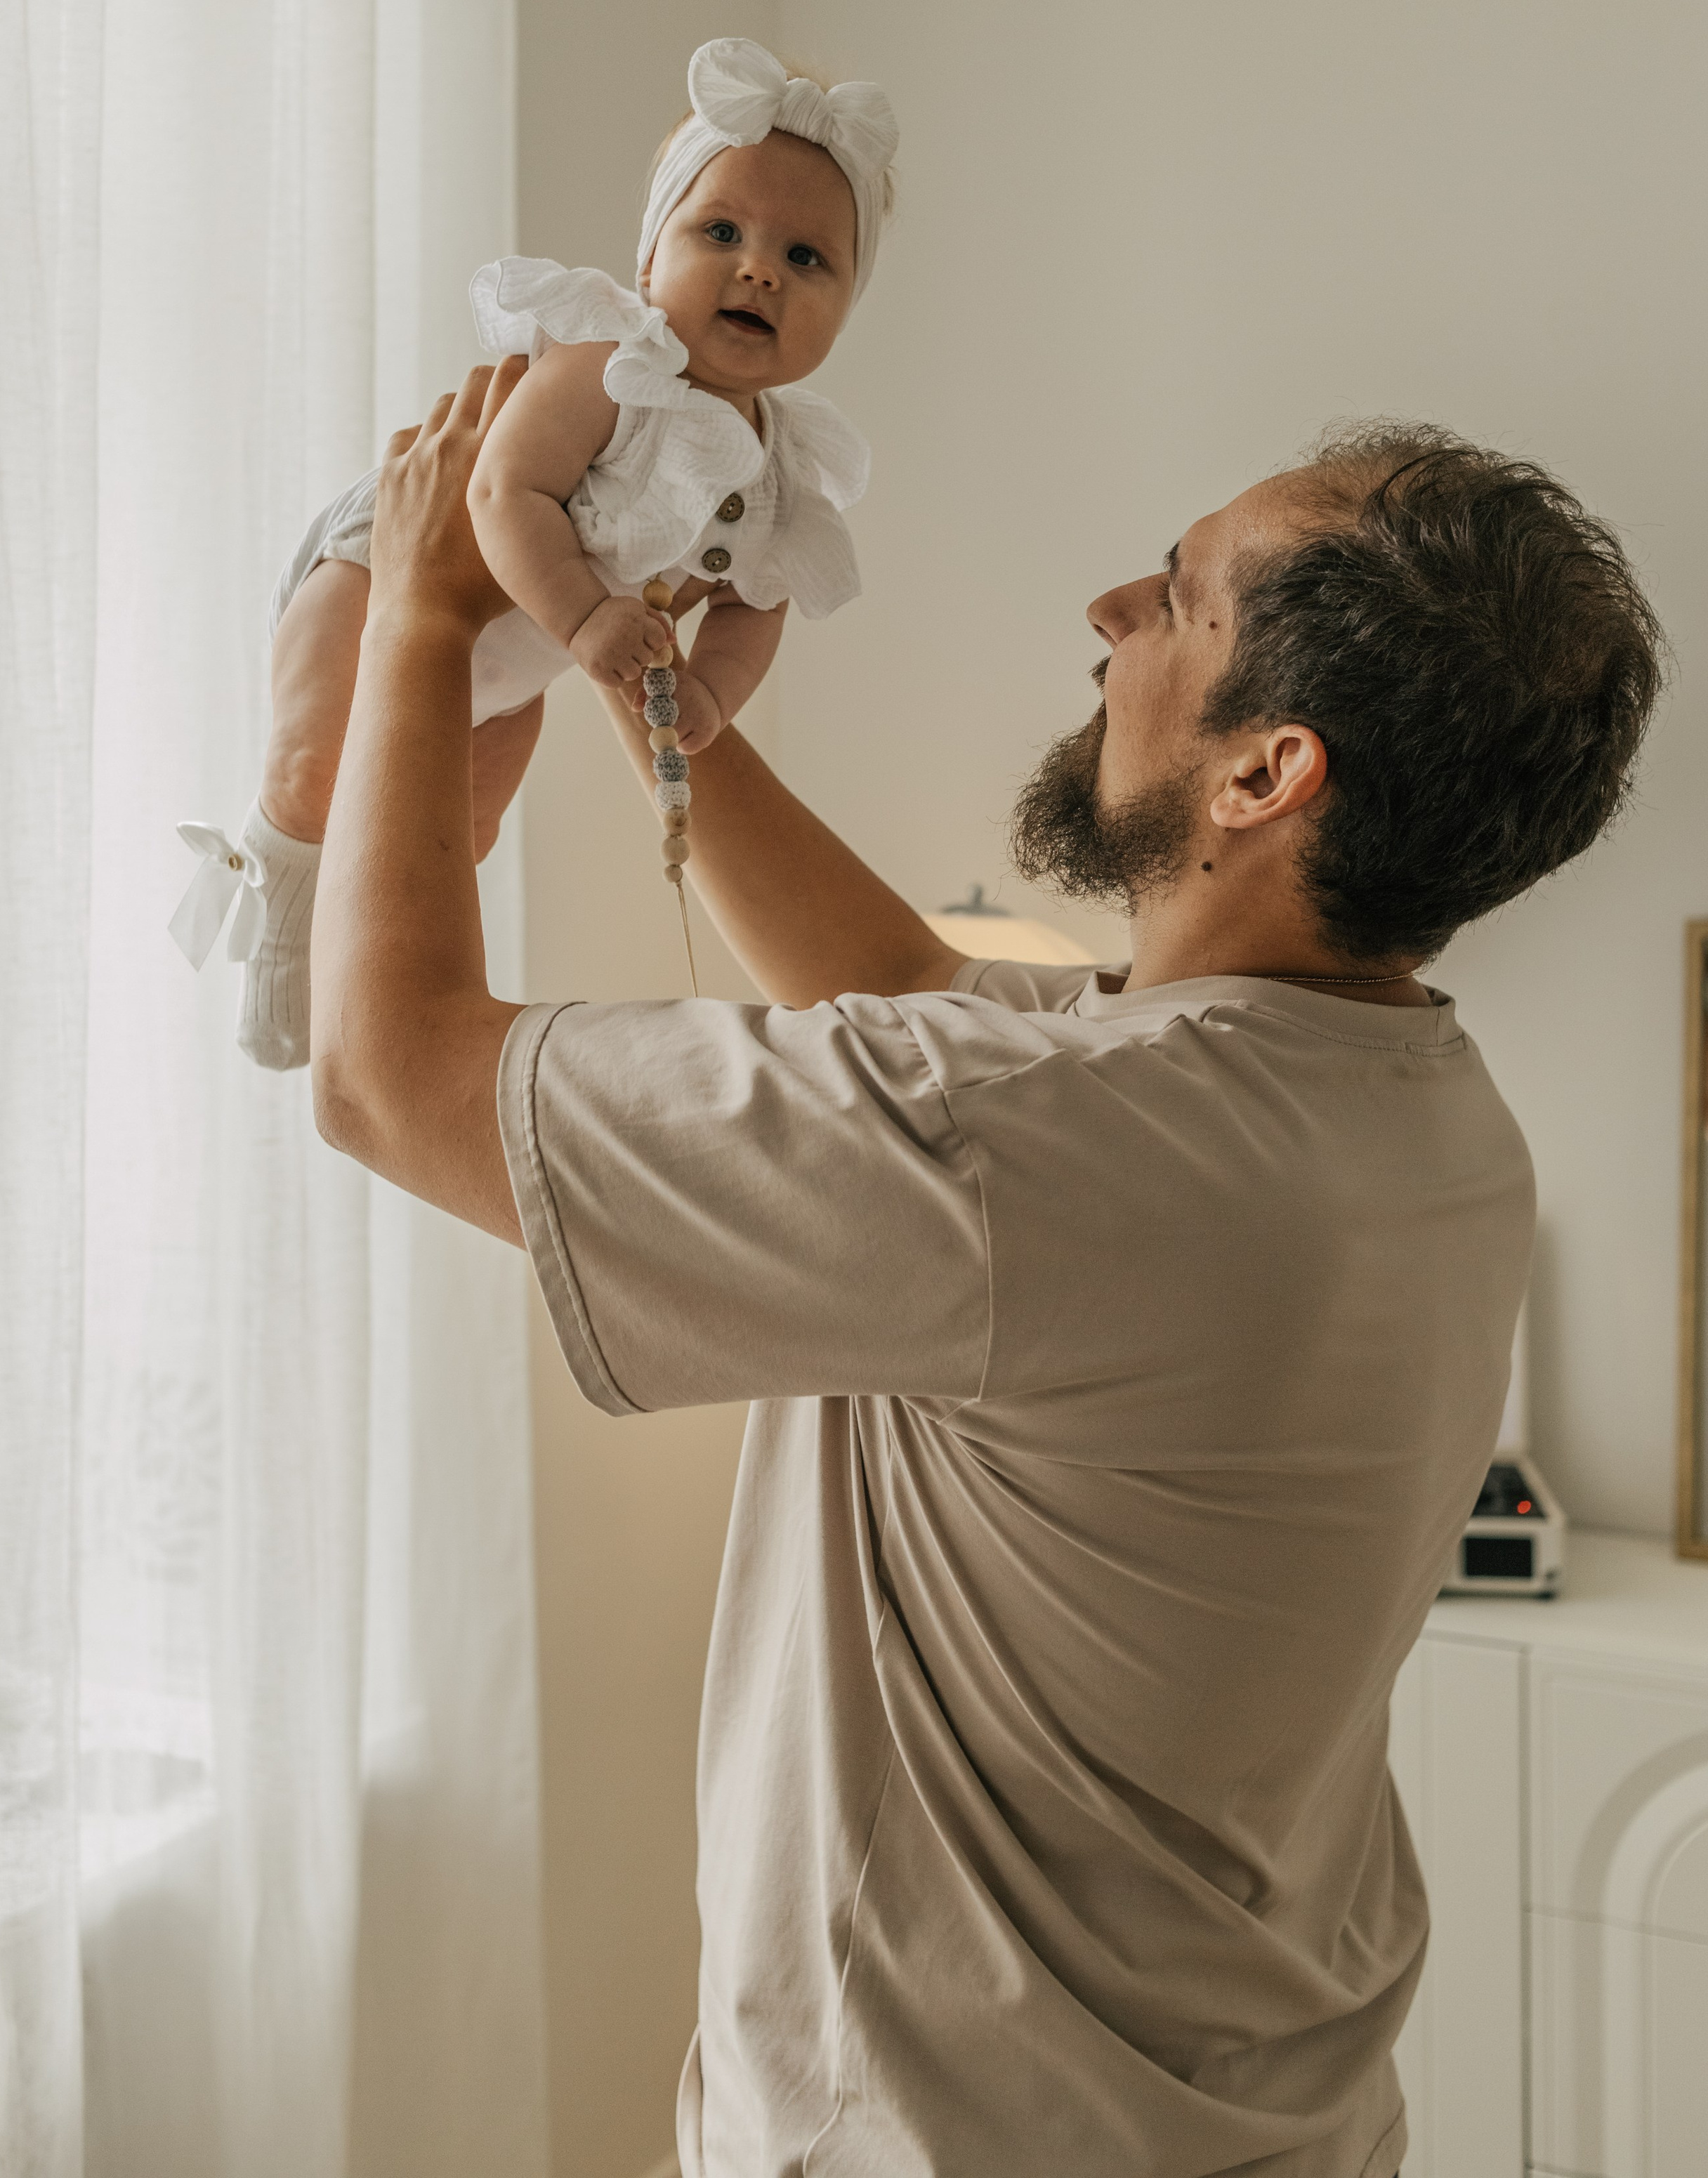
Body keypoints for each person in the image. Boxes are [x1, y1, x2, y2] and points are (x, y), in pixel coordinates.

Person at [310, 375, 1662, 2178]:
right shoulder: (1415, 1110)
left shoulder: (1034, 1149)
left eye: (1177, 600)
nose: (1112, 617)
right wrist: (615, 651)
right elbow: (889, 981)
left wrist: (420, 612)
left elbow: (387, 1074)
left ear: (1268, 773)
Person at [221, 37, 894, 1068]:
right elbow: (504, 489)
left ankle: (350, 978)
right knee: (316, 763)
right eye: (721, 230)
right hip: (381, 568)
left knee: (457, 834)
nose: (761, 267)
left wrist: (710, 695)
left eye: (809, 259)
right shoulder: (610, 361)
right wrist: (584, 616)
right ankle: (272, 924)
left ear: (848, 308)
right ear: (647, 259)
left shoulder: (778, 472)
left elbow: (756, 604)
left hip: (519, 654)